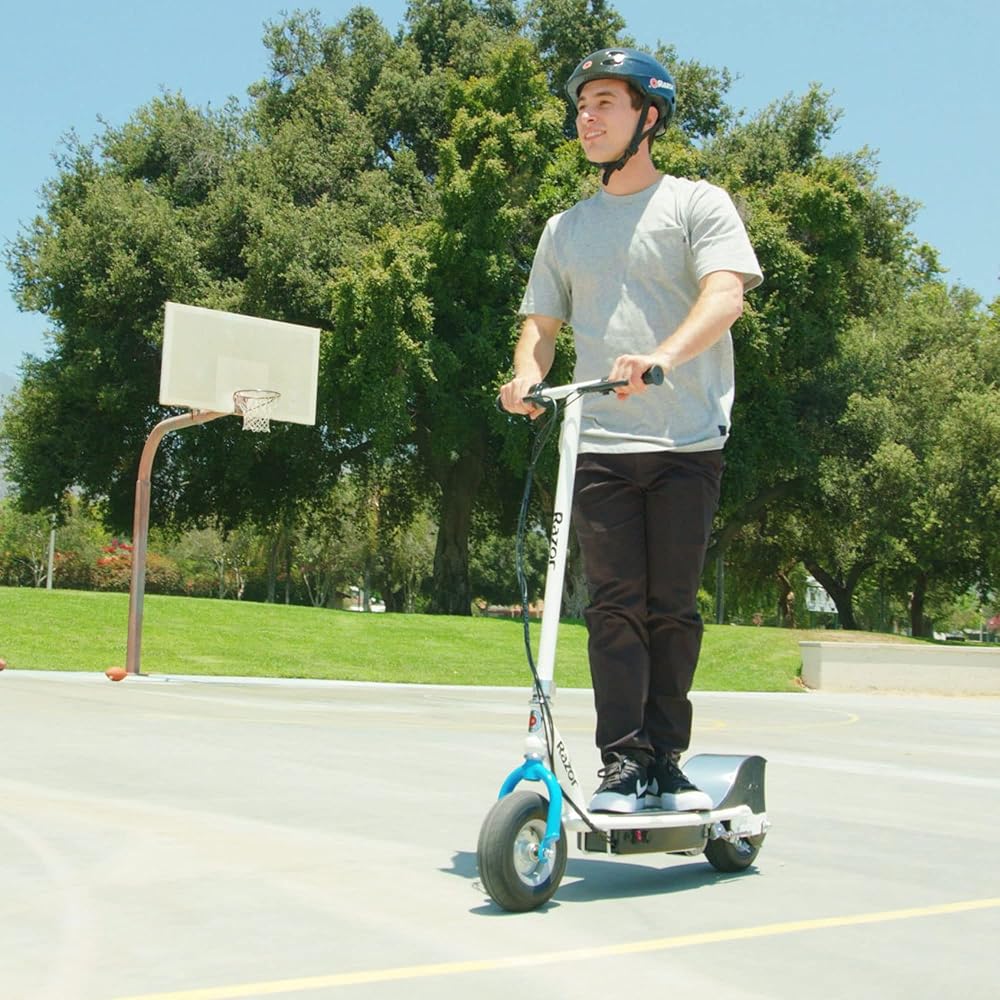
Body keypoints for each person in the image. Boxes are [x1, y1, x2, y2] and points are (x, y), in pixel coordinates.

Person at [499, 48, 763, 814]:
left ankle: (666, 762)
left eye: (605, 103)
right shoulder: (565, 229)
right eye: (582, 106)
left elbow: (725, 297)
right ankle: (623, 764)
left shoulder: (696, 204)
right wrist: (524, 375)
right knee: (612, 608)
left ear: (649, 116)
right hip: (600, 446)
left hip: (686, 442)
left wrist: (662, 358)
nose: (587, 118)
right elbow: (540, 327)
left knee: (670, 606)